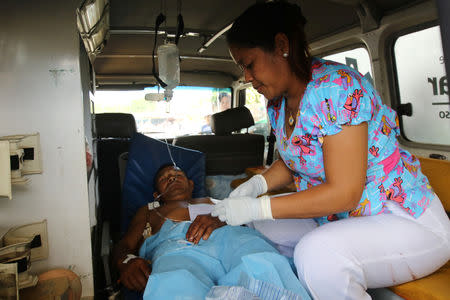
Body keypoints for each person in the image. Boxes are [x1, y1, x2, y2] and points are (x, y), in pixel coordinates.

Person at [210, 2, 450, 299]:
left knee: (317, 255)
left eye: (249, 64)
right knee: (261, 227)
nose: (247, 77)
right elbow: (294, 160)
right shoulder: (278, 102)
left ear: (281, 46)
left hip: (405, 220)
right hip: (346, 218)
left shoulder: (337, 88)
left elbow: (345, 192)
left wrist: (259, 204)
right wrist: (256, 185)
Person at [113, 164, 311, 300]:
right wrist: (126, 262)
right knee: (175, 283)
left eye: (178, 175)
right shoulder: (149, 210)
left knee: (263, 262)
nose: (172, 178)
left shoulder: (217, 202)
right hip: (177, 249)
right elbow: (125, 245)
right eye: (165, 179)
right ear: (157, 194)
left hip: (233, 237)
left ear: (191, 185)